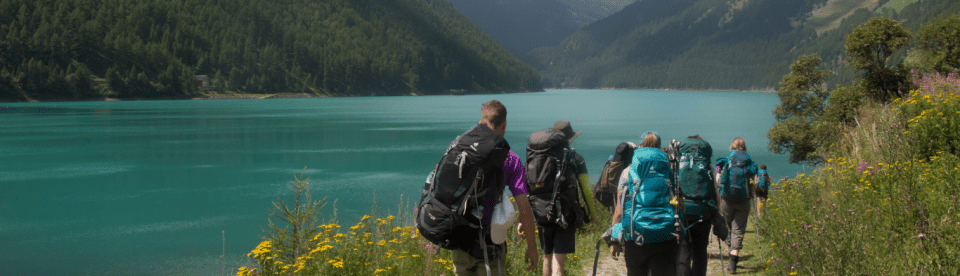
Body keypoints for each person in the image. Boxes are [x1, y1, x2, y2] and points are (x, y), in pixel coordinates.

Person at [451, 100, 539, 276]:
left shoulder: (457, 148)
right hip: (491, 243)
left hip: (458, 241)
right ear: (504, 125)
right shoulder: (510, 159)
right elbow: (524, 206)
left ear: (481, 121)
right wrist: (532, 246)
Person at [609, 132, 677, 276]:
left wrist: (614, 239)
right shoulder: (668, 171)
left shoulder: (628, 172)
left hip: (636, 236)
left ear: (639, 147)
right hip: (665, 234)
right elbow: (677, 201)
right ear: (659, 147)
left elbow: (619, 210)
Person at [536, 120, 597, 276]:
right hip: (566, 213)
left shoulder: (541, 158)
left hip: (542, 212)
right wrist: (592, 212)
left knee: (546, 257)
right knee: (559, 263)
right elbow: (585, 189)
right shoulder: (576, 158)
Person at [675, 135, 717, 276]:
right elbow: (715, 192)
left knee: (684, 249)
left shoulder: (679, 167)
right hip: (703, 211)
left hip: (683, 210)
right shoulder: (708, 168)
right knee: (700, 251)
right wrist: (715, 213)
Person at [717, 137, 758, 274]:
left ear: (731, 147)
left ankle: (730, 251)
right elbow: (754, 175)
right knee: (738, 229)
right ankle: (733, 261)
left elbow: (720, 177)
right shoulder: (748, 162)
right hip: (744, 199)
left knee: (728, 226)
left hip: (727, 199)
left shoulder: (727, 160)